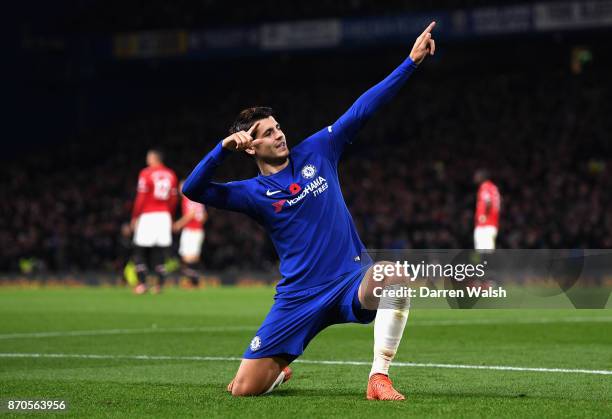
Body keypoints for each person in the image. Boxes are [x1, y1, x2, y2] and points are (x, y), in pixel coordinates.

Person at [183, 22, 437, 399]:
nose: (278, 134)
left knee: (394, 275)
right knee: (241, 390)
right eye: (267, 133)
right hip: (299, 297)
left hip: (351, 280)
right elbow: (193, 189)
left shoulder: (318, 151)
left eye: (277, 127)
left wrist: (410, 63)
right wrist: (221, 149)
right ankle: (280, 371)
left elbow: (361, 109)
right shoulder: (252, 192)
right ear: (249, 147)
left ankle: (378, 377)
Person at [131, 149, 178, 294]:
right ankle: (159, 286)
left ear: (154, 158)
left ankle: (142, 284)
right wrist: (169, 215)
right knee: (159, 251)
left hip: (148, 215)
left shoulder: (146, 173)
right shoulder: (171, 174)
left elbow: (141, 197)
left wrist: (135, 216)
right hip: (164, 215)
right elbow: (174, 199)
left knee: (139, 250)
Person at [173, 180, 208, 288]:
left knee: (188, 257)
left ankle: (194, 281)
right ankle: (195, 281)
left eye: (181, 187)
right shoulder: (197, 198)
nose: (180, 190)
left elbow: (191, 214)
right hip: (198, 230)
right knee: (193, 257)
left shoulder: (187, 198)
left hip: (191, 230)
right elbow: (204, 216)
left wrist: (179, 224)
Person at [473, 169, 501, 251]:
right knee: (488, 252)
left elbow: (488, 201)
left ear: (482, 177)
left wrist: (483, 216)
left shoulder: (485, 187)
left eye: (477, 175)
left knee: (482, 253)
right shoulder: (494, 187)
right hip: (493, 224)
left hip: (485, 225)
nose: (475, 177)